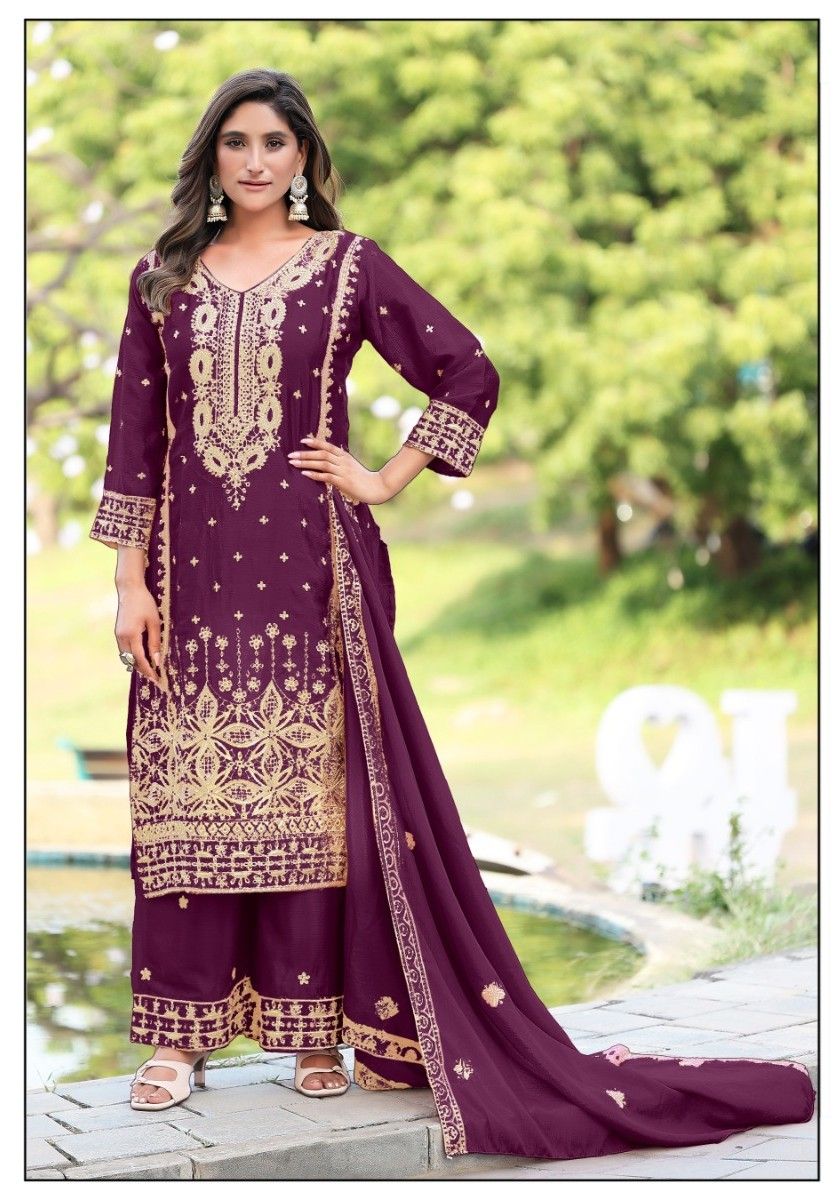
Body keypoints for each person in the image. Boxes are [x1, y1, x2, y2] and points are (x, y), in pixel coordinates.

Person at [90, 68, 815, 1161]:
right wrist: (129, 582)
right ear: (212, 155)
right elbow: (135, 437)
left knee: (316, 793)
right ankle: (178, 1036)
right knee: (187, 795)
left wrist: (383, 477)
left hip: (313, 571)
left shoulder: (347, 267)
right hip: (190, 582)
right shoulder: (163, 278)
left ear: (303, 158)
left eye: (275, 143)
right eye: (236, 142)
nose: (254, 161)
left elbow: (466, 369)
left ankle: (312, 1029)